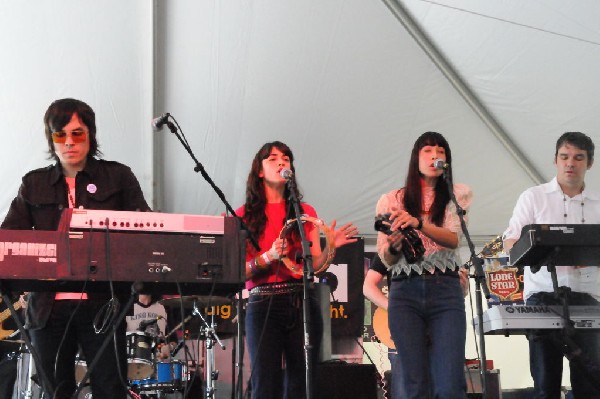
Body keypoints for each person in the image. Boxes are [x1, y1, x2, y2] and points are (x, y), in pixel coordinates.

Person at [1, 98, 151, 398]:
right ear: (51, 138)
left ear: (91, 135)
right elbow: (8, 239)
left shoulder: (118, 177)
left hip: (103, 306)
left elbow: (145, 233)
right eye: (61, 134)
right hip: (47, 309)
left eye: (77, 133)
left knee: (111, 389)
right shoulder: (33, 184)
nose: (69, 142)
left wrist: (145, 284)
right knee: (56, 390)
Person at [236, 141, 358, 399]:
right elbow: (238, 272)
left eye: (286, 158)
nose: (281, 162)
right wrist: (268, 256)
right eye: (273, 158)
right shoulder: (243, 215)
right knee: (265, 383)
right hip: (263, 304)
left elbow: (316, 264)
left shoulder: (305, 212)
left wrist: (331, 245)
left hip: (301, 299)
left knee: (302, 382)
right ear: (259, 170)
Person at [375, 131, 472, 399]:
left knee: (450, 383)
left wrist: (419, 223)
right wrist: (394, 243)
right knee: (415, 384)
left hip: (446, 290)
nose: (435, 156)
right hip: (404, 293)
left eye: (441, 151)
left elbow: (453, 239)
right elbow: (387, 257)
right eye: (428, 151)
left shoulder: (456, 194)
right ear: (416, 158)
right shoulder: (391, 200)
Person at [503, 132, 600, 399]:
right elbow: (511, 240)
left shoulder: (598, 204)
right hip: (543, 296)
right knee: (546, 384)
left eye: (578, 158)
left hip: (588, 297)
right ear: (555, 160)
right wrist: (529, 252)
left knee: (590, 384)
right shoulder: (533, 197)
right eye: (565, 157)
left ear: (589, 163)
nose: (571, 163)